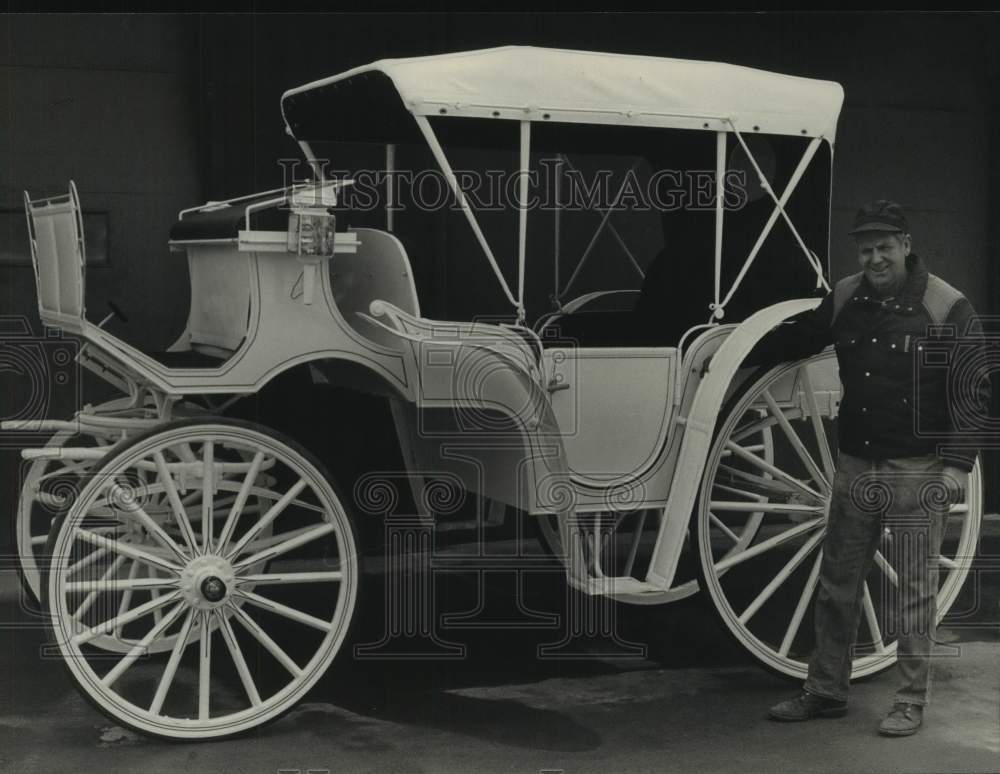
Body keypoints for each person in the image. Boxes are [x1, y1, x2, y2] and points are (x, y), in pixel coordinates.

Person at [750, 200, 990, 736]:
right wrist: (733, 339)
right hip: (857, 464)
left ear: (906, 244)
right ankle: (826, 690)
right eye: (866, 248)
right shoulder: (843, 297)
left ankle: (909, 701)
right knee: (837, 583)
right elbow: (800, 339)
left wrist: (955, 468)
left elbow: (973, 394)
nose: (875, 258)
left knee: (912, 588)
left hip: (917, 467)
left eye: (885, 246)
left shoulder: (947, 305)